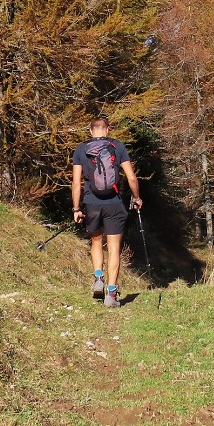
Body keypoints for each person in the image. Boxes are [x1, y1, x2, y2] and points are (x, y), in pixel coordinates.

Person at [71, 116, 142, 308]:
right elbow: (131, 178)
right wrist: (136, 198)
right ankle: (111, 294)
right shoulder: (117, 146)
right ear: (108, 129)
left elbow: (76, 183)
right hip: (114, 204)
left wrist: (77, 208)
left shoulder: (81, 149)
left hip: (91, 203)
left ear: (90, 130)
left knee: (96, 240)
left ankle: (98, 277)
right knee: (114, 248)